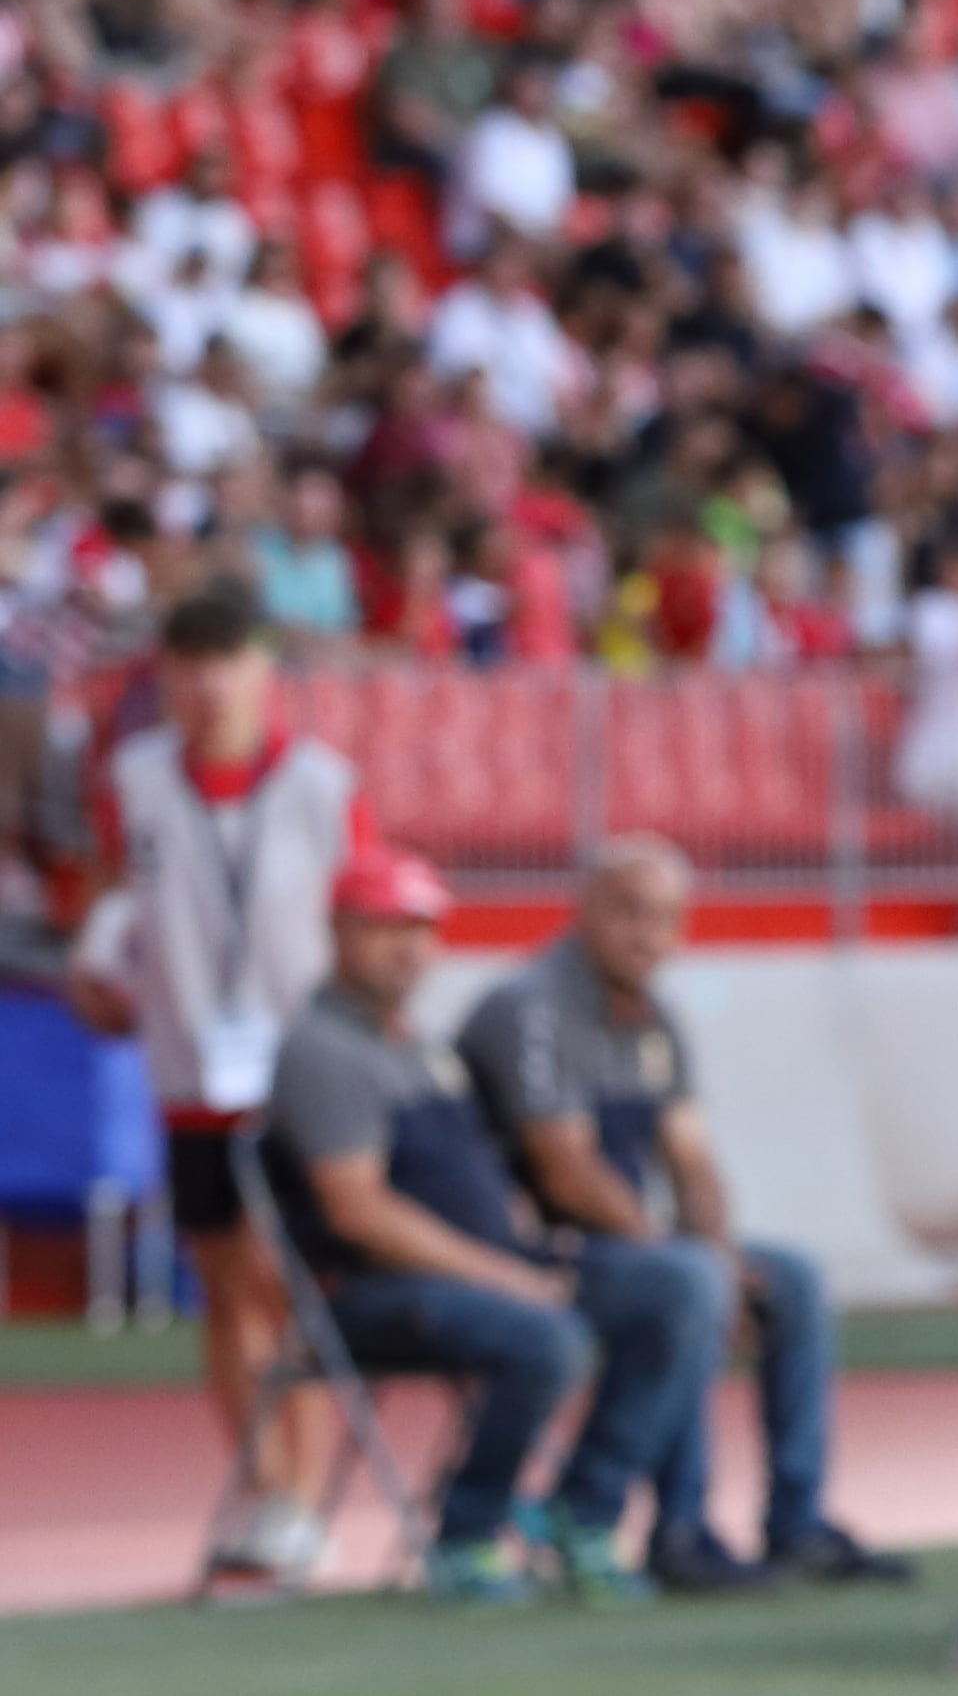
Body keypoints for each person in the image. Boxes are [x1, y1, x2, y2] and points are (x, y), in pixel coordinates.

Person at [256, 849, 724, 1603]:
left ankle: (586, 1510)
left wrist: (529, 1253)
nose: (408, 948)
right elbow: (358, 1210)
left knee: (679, 1286)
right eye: (384, 927)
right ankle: (466, 1532)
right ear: (338, 930)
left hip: (486, 1270)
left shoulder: (416, 1043)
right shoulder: (323, 1049)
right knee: (547, 1337)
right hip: (376, 1293)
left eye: (421, 928)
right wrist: (507, 1276)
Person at [459, 837, 911, 1589]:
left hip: (620, 1250)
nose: (649, 936)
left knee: (793, 1277)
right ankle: (676, 1525)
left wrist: (724, 1255)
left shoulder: (655, 1018)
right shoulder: (528, 1008)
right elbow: (566, 1171)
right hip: (527, 1252)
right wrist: (695, 1262)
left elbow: (690, 1157)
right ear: (585, 909)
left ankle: (796, 1522)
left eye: (667, 918)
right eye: (630, 912)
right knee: (687, 1282)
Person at [66, 583, 370, 1581]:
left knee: (290, 1286)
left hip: (298, 1077)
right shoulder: (136, 777)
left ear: (263, 670)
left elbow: (359, 916)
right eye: (188, 665)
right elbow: (118, 897)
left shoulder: (321, 785)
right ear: (165, 675)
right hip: (192, 1069)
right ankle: (264, 1486)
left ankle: (305, 1498)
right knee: (226, 1287)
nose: (208, 686)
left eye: (226, 662)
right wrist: (99, 968)